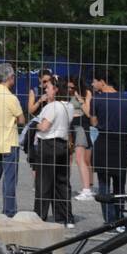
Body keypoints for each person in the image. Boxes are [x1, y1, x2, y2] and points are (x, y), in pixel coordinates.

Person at [91, 71, 127, 229]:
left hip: (103, 141)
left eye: (94, 81)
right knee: (120, 184)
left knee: (104, 183)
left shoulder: (96, 99)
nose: (92, 84)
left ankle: (109, 220)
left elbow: (93, 121)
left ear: (102, 82)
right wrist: (126, 140)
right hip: (121, 143)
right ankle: (119, 218)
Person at [33, 76, 75, 227]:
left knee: (44, 183)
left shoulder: (52, 107)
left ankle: (40, 216)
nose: (45, 89)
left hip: (49, 145)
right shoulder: (69, 106)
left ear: (56, 90)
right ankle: (65, 217)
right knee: (62, 183)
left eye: (48, 87)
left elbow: (44, 127)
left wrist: (35, 125)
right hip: (63, 146)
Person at [0, 63, 25, 217]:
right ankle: (9, 211)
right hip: (9, 143)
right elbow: (21, 119)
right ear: (9, 77)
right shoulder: (11, 98)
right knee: (9, 180)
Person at [68, 77, 96, 201]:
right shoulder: (66, 94)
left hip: (81, 126)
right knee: (71, 158)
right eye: (68, 87)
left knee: (82, 159)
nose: (69, 89)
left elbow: (89, 113)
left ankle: (87, 189)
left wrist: (80, 99)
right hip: (70, 126)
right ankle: (84, 187)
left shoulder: (86, 93)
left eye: (72, 87)